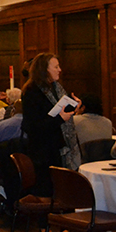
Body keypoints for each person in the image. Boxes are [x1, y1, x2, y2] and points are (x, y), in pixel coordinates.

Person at [21, 53, 78, 196]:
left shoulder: (56, 88)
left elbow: (59, 110)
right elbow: (33, 126)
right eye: (56, 67)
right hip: (42, 152)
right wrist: (59, 119)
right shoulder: (32, 91)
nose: (60, 70)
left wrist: (74, 107)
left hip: (57, 147)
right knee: (47, 191)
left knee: (62, 190)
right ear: (44, 69)